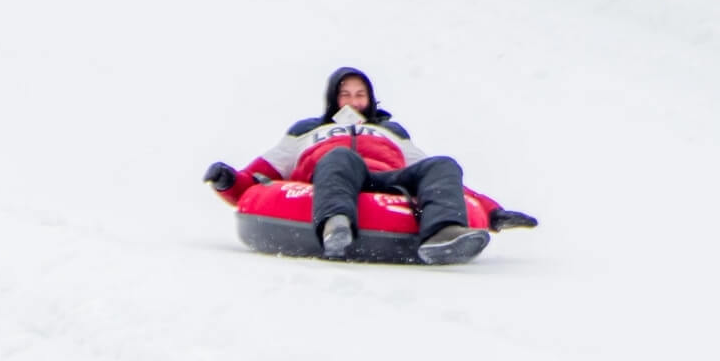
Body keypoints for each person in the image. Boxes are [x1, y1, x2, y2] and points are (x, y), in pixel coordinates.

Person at [203, 65, 537, 264]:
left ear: (370, 98)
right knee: (341, 156)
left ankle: (443, 234)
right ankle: (336, 225)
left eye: (360, 94)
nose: (353, 101)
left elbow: (443, 182)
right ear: (334, 98)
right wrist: (227, 181)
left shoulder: (392, 131)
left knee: (442, 164)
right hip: (333, 176)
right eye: (346, 94)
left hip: (387, 178)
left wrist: (492, 212)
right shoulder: (307, 131)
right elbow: (258, 176)